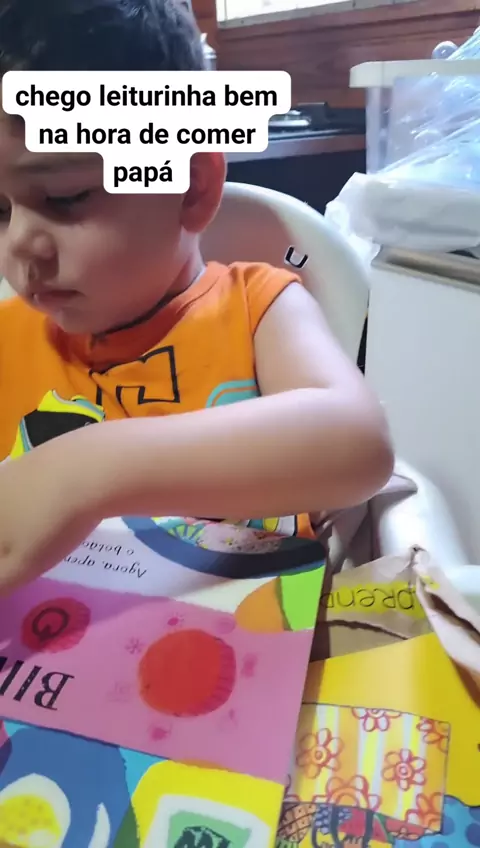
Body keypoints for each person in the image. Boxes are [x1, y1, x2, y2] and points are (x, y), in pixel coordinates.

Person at [0, 0, 393, 595]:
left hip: (251, 630)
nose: (21, 244)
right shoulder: (10, 337)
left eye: (65, 196)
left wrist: (87, 467)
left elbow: (358, 443)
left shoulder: (257, 308)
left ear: (190, 186)